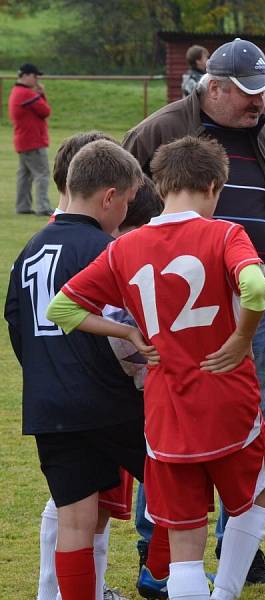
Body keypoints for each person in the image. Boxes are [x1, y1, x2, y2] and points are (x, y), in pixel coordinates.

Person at [122, 36, 265, 585]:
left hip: (243, 316)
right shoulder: (159, 131)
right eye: (248, 92)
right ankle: (157, 553)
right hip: (167, 317)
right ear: (213, 88)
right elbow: (114, 200)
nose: (259, 102)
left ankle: (241, 549)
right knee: (164, 430)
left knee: (246, 424)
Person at [48, 136, 265, 600]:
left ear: (160, 183)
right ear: (213, 186)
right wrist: (240, 337)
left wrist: (129, 334)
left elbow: (63, 308)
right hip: (227, 400)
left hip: (166, 410)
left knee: (184, 539)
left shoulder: (125, 248)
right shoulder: (226, 235)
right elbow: (254, 288)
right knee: (261, 487)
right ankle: (227, 591)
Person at [5, 139, 146, 600]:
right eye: (125, 203)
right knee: (180, 483)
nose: (124, 215)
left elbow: (15, 323)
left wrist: (48, 374)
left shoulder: (28, 250)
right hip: (107, 400)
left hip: (49, 405)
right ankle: (175, 575)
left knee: (75, 520)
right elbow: (130, 326)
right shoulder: (105, 250)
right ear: (109, 197)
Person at [9, 62, 53, 216]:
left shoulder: (16, 91)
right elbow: (45, 111)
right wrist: (41, 93)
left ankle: (22, 206)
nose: (37, 80)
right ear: (26, 76)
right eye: (35, 76)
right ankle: (43, 207)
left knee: (25, 175)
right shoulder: (27, 94)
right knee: (42, 173)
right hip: (33, 140)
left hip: (23, 140)